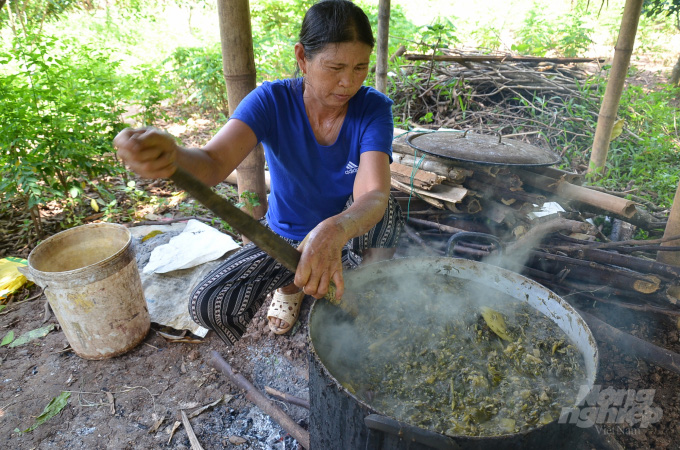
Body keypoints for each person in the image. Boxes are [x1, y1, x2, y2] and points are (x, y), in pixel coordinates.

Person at [113, 0, 404, 345]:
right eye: (335, 67)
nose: (348, 82)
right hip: (286, 235)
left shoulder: (373, 109)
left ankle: (365, 289)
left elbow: (372, 194)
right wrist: (173, 155)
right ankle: (292, 285)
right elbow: (211, 163)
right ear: (302, 58)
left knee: (386, 216)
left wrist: (335, 229)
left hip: (345, 227)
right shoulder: (271, 101)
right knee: (211, 303)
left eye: (360, 68)